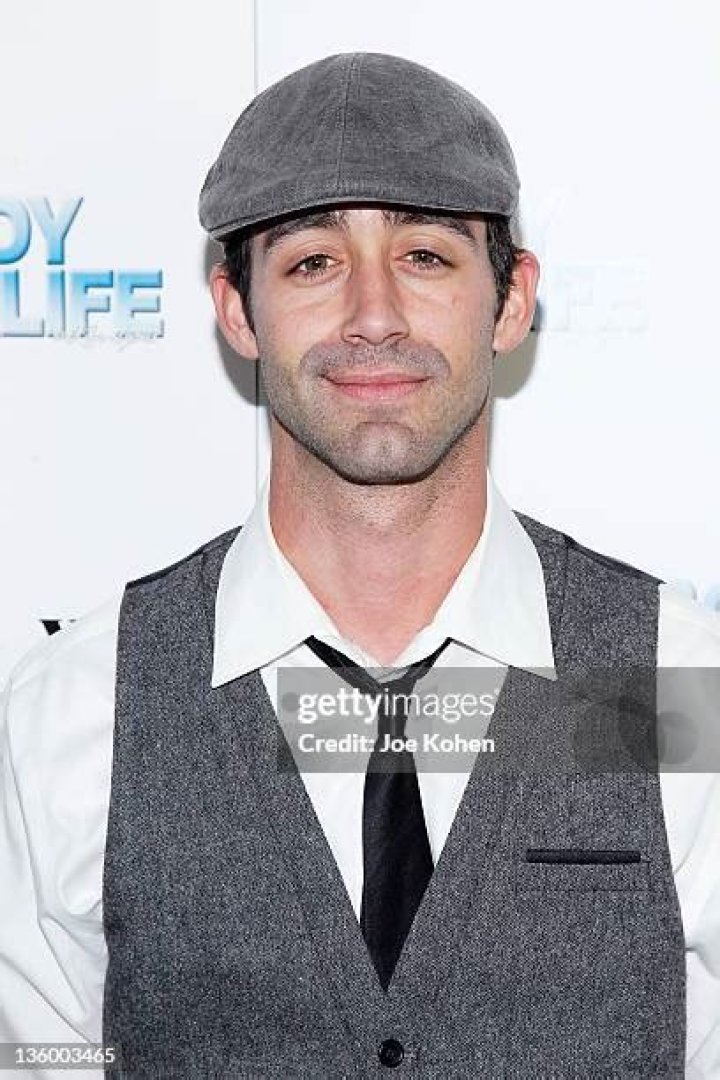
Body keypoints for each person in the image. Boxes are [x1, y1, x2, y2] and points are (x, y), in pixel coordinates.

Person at [1, 51, 719, 1078]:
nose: (373, 314)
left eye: (425, 255)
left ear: (511, 301)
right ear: (237, 311)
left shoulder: (674, 684)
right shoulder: (81, 706)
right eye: (313, 263)